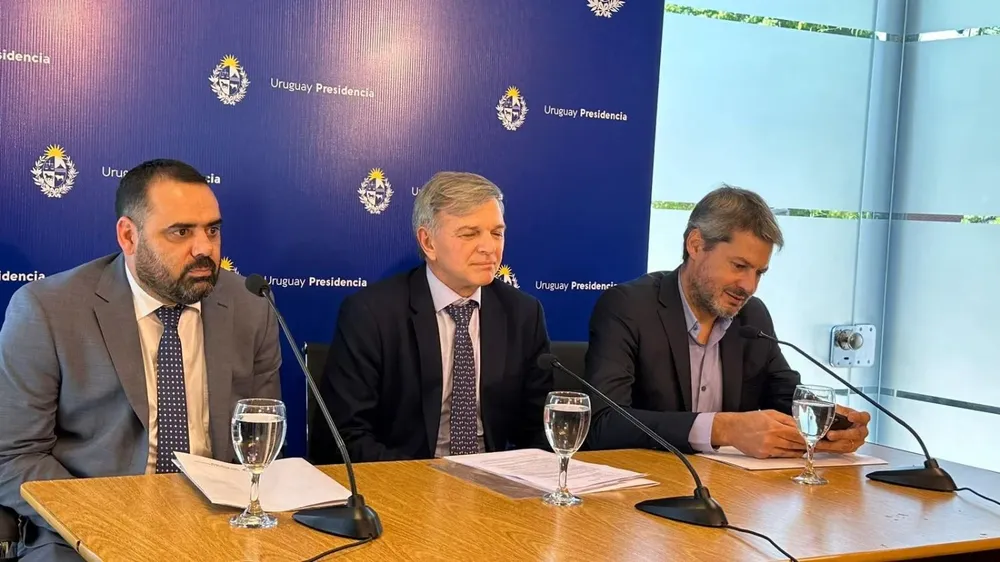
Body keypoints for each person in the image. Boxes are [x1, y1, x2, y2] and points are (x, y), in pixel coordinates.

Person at [0, 159, 281, 561]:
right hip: (84, 528)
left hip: (219, 525)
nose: (204, 249)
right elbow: (12, 455)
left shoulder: (251, 306)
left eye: (212, 230)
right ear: (129, 236)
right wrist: (109, 517)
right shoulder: (48, 310)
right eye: (181, 232)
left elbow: (259, 441)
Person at [584, 184, 870, 458]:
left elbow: (785, 398)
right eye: (739, 266)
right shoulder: (630, 307)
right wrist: (722, 429)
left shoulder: (752, 317)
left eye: (759, 272)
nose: (749, 286)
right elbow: (603, 422)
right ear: (696, 245)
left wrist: (832, 424)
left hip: (728, 485)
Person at [314, 171, 552, 463]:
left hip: (494, 482)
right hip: (402, 480)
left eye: (496, 233)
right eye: (469, 234)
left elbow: (541, 430)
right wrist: (429, 481)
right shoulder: (371, 314)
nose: (489, 247)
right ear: (428, 242)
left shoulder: (522, 314)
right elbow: (342, 438)